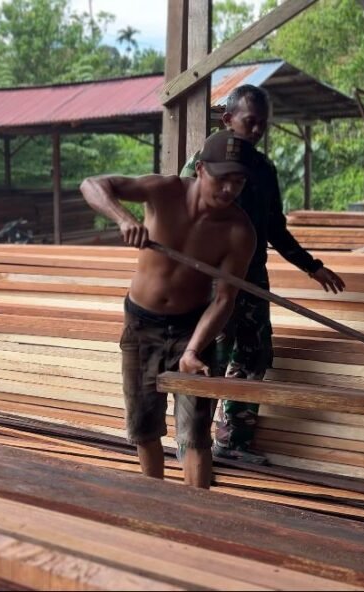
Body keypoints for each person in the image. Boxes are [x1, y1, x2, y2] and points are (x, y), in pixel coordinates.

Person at [80, 131, 257, 488]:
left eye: (237, 182)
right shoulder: (164, 191)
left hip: (193, 330)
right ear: (202, 169)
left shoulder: (239, 230)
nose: (229, 190)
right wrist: (123, 218)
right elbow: (92, 184)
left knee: (194, 435)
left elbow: (224, 299)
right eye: (223, 179)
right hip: (141, 324)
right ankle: (157, 506)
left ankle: (198, 518)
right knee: (144, 428)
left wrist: (193, 350)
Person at [182, 85, 347, 465]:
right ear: (227, 119)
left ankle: (234, 443)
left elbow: (274, 227)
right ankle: (193, 445)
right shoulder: (202, 162)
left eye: (262, 124)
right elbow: (181, 216)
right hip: (211, 280)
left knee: (253, 357)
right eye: (248, 122)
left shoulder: (264, 169)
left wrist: (311, 265)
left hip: (252, 278)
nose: (256, 130)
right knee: (212, 357)